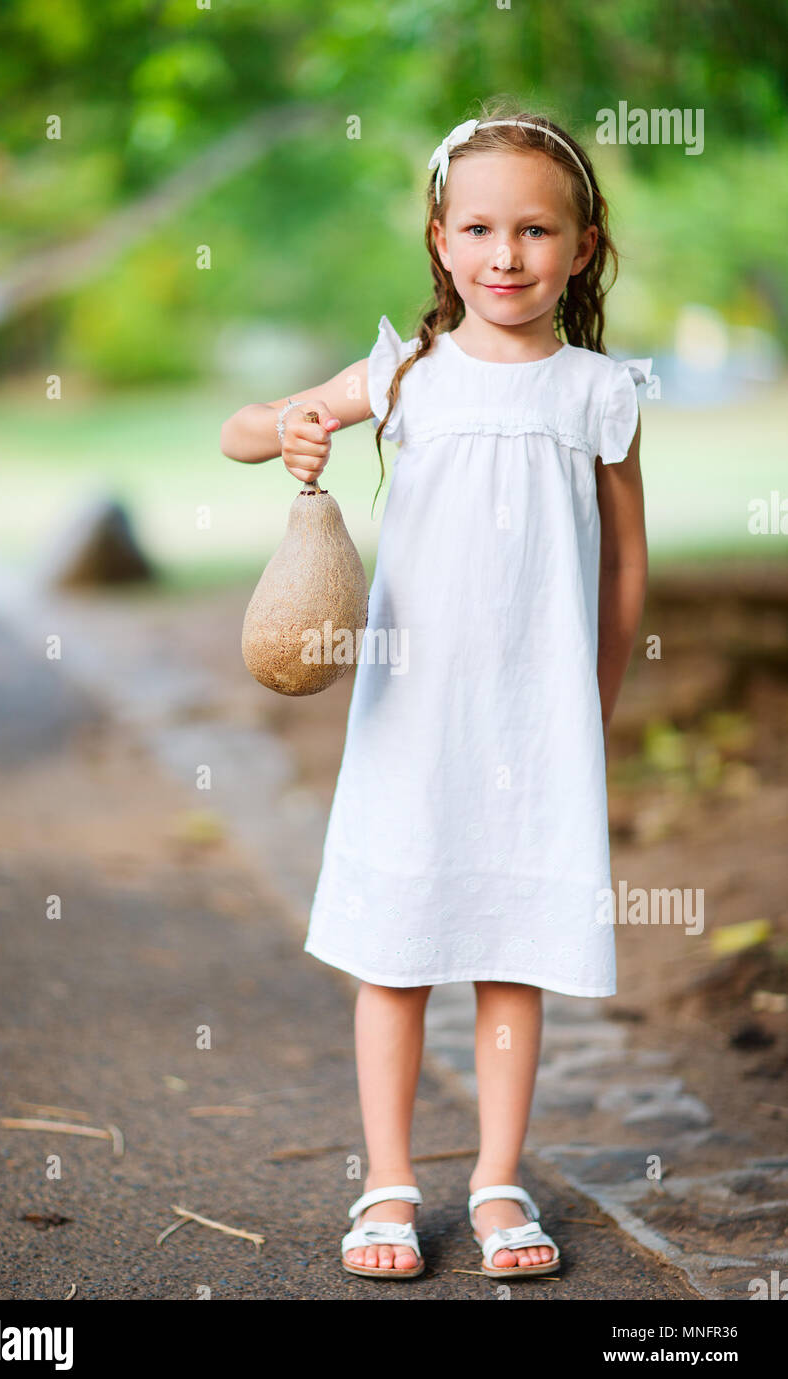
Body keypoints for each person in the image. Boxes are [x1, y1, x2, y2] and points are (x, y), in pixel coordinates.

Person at [220, 100, 650, 1281]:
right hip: (413, 717)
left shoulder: (594, 394)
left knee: (512, 943)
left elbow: (623, 570)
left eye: (533, 231)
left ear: (581, 243)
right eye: (478, 228)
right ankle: (389, 1183)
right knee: (397, 947)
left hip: (535, 722)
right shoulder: (406, 374)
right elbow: (239, 430)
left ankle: (499, 1180)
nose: (504, 256)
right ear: (438, 239)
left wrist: (595, 704)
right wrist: (292, 430)